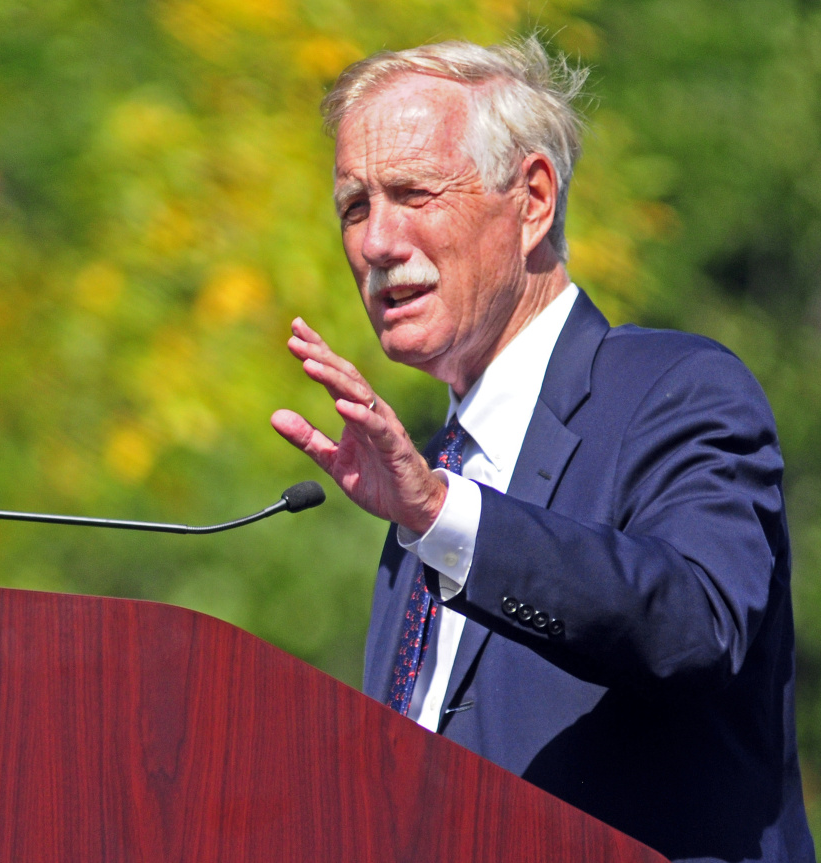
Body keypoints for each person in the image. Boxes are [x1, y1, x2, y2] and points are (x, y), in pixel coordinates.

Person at [270, 36, 816, 863]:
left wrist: (448, 517)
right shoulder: (430, 476)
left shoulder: (678, 390)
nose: (376, 241)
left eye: (413, 192)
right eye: (354, 205)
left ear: (531, 198)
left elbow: (697, 622)